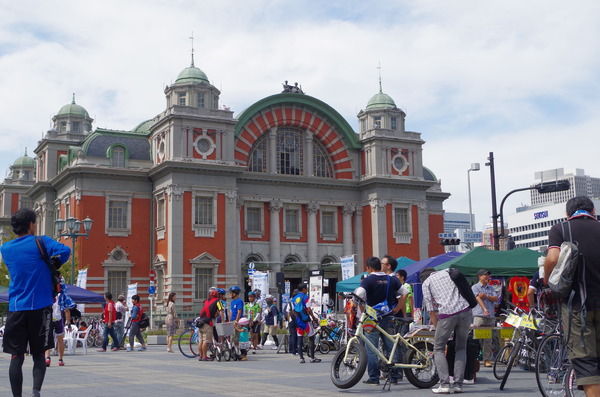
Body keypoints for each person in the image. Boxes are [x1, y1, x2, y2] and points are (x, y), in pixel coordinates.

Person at [0, 208, 71, 397]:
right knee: (39, 354)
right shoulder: (42, 241)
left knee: (16, 356)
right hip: (41, 307)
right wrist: (55, 264)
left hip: (16, 307)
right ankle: (35, 392)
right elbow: (65, 251)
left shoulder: (5, 249)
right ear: (31, 224)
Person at [543, 196, 600, 397]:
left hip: (578, 306)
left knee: (586, 362)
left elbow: (552, 258)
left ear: (568, 214)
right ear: (592, 212)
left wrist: (547, 279)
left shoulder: (561, 229)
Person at [421, 266, 472, 394]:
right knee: (461, 347)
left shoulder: (426, 283)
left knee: (438, 348)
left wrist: (437, 328)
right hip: (465, 311)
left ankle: (444, 384)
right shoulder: (448, 272)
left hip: (447, 315)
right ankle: (458, 385)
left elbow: (431, 310)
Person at [355, 256, 404, 385]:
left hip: (372, 319)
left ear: (369, 268)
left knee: (372, 349)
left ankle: (374, 378)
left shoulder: (369, 279)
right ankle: (394, 376)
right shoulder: (391, 279)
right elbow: (404, 292)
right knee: (391, 347)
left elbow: (359, 294)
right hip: (388, 316)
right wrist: (398, 307)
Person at [471, 269, 498, 368]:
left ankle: (487, 359)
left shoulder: (491, 288)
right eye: (485, 275)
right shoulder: (475, 287)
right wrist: (484, 308)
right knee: (476, 337)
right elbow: (478, 298)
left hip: (490, 315)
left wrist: (486, 296)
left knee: (488, 339)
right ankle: (474, 358)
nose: (487, 277)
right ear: (479, 276)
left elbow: (496, 299)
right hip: (479, 314)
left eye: (488, 275)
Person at [293, 283, 321, 363]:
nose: (307, 290)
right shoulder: (305, 297)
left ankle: (301, 358)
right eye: (306, 288)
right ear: (304, 289)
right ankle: (312, 357)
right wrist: (313, 317)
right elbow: (308, 309)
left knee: (299, 339)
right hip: (306, 321)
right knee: (311, 338)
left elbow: (293, 310)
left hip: (298, 321)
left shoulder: (294, 298)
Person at [45, 293, 71, 367]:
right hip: (58, 319)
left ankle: (48, 358)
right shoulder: (62, 296)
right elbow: (67, 310)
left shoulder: (48, 294)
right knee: (60, 340)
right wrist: (68, 323)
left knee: (48, 339)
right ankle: (60, 360)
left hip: (50, 319)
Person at [198, 289, 223, 361]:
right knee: (206, 341)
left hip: (201, 322)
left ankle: (200, 356)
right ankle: (205, 356)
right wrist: (223, 320)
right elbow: (221, 311)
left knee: (201, 340)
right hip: (208, 323)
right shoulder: (218, 301)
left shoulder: (205, 301)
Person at [229, 286, 244, 351]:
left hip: (237, 321)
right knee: (232, 337)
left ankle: (237, 351)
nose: (230, 294)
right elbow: (231, 312)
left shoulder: (239, 301)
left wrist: (236, 321)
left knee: (236, 337)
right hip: (232, 321)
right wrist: (229, 320)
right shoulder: (232, 302)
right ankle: (234, 350)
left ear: (234, 293)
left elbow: (239, 312)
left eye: (231, 293)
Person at [285, 289, 299, 356]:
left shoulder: (290, 303)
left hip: (291, 321)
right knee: (296, 336)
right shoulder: (298, 302)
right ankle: (295, 350)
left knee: (291, 336)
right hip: (297, 321)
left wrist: (289, 320)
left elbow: (287, 313)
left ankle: (291, 351)